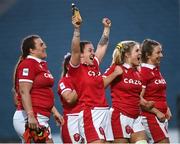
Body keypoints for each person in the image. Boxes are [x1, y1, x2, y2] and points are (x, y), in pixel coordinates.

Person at [66, 11, 118, 142]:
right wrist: (77, 29)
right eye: (90, 50)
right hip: (90, 113)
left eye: (93, 50)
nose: (93, 53)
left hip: (104, 112)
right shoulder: (76, 69)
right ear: (81, 55)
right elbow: (75, 49)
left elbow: (102, 45)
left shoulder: (94, 64)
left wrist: (106, 29)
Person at [12, 35, 64, 143]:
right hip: (31, 117)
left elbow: (41, 93)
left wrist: (54, 112)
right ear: (31, 50)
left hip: (40, 117)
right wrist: (30, 115)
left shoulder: (40, 65)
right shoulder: (28, 64)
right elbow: (24, 91)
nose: (45, 46)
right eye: (41, 44)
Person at [104, 41, 148, 143]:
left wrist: (146, 104)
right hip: (120, 117)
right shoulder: (116, 68)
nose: (140, 53)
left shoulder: (137, 72)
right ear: (127, 54)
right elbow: (99, 85)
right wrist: (115, 74)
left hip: (137, 116)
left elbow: (136, 96)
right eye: (137, 51)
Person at [140, 39, 172, 143]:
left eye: (161, 52)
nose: (161, 55)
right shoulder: (144, 71)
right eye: (158, 52)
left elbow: (159, 94)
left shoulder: (156, 70)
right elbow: (138, 98)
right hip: (151, 117)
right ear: (148, 55)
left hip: (162, 117)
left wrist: (166, 108)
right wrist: (157, 112)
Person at [57, 53, 84, 143]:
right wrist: (82, 83)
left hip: (88, 118)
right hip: (73, 120)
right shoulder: (64, 81)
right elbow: (69, 99)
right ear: (68, 66)